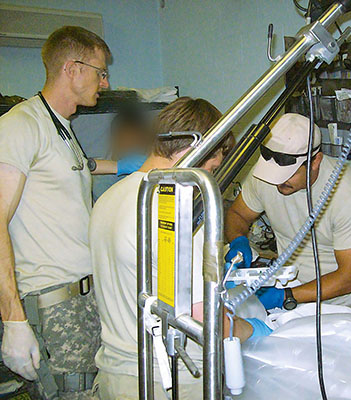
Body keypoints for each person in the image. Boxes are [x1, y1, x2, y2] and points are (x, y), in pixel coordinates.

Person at [90, 97, 271, 400]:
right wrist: (251, 329)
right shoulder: (180, 209)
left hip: (114, 375)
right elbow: (203, 319)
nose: (213, 176)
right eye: (215, 165)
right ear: (197, 150)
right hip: (167, 381)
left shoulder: (110, 197)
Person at [0, 25, 145, 399]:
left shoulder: (60, 127)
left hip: (83, 297)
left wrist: (133, 167)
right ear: (72, 69)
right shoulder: (21, 124)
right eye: (100, 71)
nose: (105, 81)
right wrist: (13, 319)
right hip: (53, 302)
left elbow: (79, 166)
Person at [225, 113, 351, 311]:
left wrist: (285, 296)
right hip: (291, 291)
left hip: (343, 303)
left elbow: (349, 278)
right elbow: (238, 215)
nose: (278, 182)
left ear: (315, 161)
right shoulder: (264, 177)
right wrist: (238, 241)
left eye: (287, 175)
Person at [92, 104, 152, 200]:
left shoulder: (153, 176)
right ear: (115, 140)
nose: (131, 146)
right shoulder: (100, 182)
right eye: (126, 140)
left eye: (136, 140)